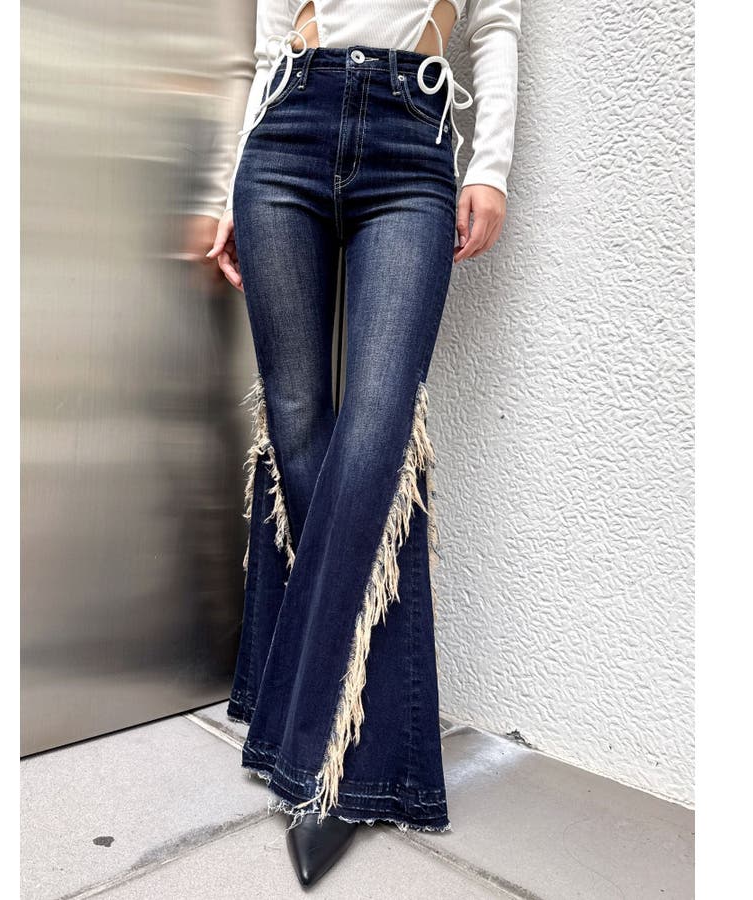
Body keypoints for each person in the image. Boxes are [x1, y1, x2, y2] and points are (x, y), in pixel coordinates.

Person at [202, 0, 521, 887]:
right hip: (285, 130)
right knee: (296, 418)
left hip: (411, 135)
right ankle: (357, 746)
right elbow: (272, 40)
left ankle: (314, 748)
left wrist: (490, 166)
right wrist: (229, 187)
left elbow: (496, 23)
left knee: (378, 428)